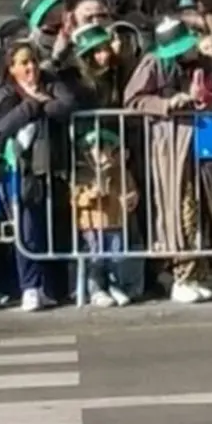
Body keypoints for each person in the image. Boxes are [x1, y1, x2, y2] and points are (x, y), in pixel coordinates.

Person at [124, 17, 212, 304]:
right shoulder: (153, 63)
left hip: (203, 141)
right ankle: (181, 271)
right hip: (170, 144)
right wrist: (166, 104)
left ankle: (203, 267)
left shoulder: (204, 63)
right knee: (179, 205)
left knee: (206, 204)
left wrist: (207, 99)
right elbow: (133, 100)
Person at [0, 41, 77, 311]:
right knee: (27, 230)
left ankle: (52, 287)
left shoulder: (52, 83)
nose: (30, 67)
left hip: (53, 167)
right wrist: (33, 105)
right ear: (12, 68)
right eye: (23, 63)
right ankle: (30, 286)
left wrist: (46, 104)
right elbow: (4, 124)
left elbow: (66, 107)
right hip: (21, 170)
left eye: (32, 61)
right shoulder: (6, 92)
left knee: (53, 227)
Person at [71, 129, 141, 307]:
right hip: (92, 225)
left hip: (115, 222)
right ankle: (96, 290)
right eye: (96, 148)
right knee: (95, 258)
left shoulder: (120, 172)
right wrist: (94, 192)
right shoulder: (82, 173)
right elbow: (76, 198)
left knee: (117, 258)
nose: (102, 152)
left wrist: (131, 198)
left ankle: (115, 286)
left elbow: (132, 190)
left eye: (107, 147)